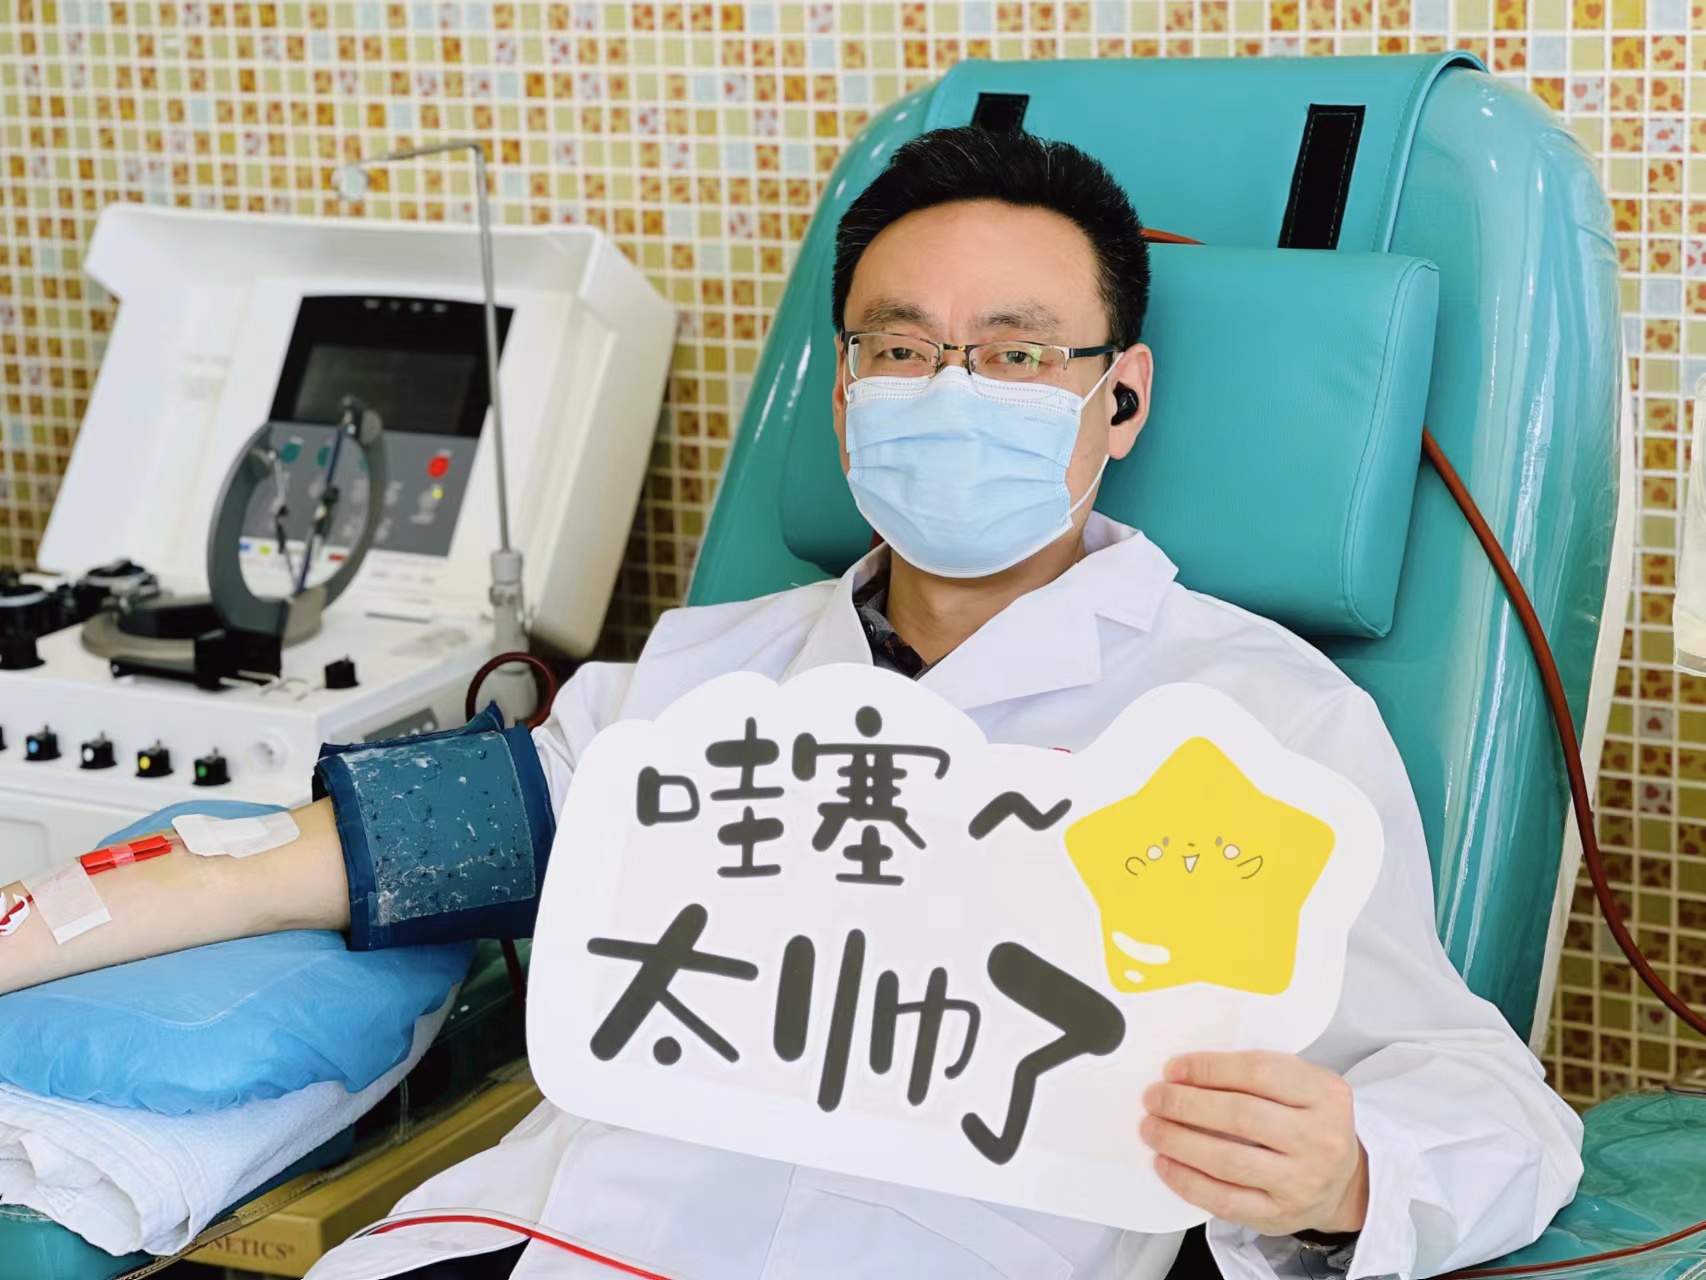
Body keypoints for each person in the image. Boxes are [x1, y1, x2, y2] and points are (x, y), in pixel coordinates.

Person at [0, 125, 1581, 1280]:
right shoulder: (701, 678)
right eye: (902, 346)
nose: (950, 390)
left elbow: (1479, 1099)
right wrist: (38, 923)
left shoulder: (1255, 720)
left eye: (1016, 354)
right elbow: (340, 852)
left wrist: (1345, 1173)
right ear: (842, 391)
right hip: (551, 1242)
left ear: (1120, 396)